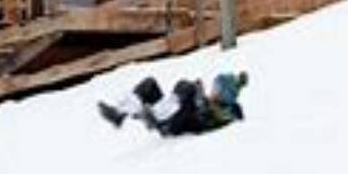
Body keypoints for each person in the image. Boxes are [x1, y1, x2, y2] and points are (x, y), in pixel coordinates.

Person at [98, 71, 249, 136]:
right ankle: (118, 114)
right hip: (171, 115)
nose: (214, 90)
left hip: (176, 124)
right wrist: (200, 96)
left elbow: (209, 121)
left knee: (187, 86)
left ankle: (158, 117)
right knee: (150, 84)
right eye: (215, 86)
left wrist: (199, 98)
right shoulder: (209, 100)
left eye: (219, 89)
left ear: (226, 95)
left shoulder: (230, 109)